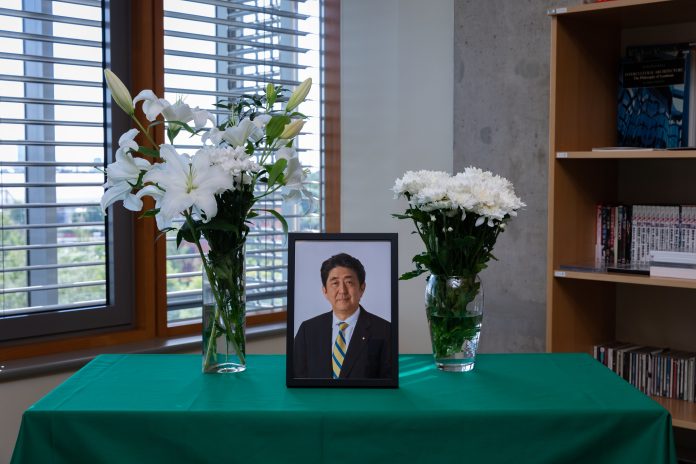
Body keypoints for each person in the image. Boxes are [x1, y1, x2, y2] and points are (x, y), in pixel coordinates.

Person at [293, 252, 392, 379]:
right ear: (325, 291)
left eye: (349, 282)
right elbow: (298, 378)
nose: (342, 290)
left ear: (362, 288)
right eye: (335, 283)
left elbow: (387, 382)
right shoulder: (307, 330)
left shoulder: (385, 331)